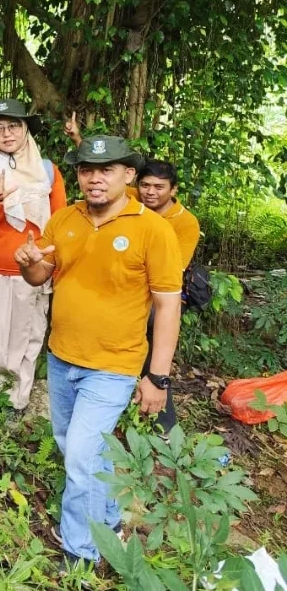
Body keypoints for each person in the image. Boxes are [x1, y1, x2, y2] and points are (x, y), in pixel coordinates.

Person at [14, 135, 182, 569]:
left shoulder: (153, 229)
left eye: (106, 170)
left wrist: (157, 378)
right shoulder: (64, 219)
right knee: (76, 447)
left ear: (128, 175)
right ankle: (107, 518)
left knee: (82, 456)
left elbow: (167, 304)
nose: (94, 178)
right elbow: (40, 277)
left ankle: (82, 554)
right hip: (62, 354)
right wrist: (27, 261)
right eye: (86, 170)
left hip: (113, 364)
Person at [0, 100, 66, 415]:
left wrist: (55, 268)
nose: (6, 134)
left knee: (26, 335)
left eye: (13, 126)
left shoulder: (47, 171)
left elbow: (60, 221)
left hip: (32, 268)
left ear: (25, 130)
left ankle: (16, 400)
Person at [136, 158, 201, 433]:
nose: (150, 192)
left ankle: (164, 426)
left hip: (161, 296)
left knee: (152, 358)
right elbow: (105, 176)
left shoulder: (185, 223)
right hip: (129, 292)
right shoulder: (130, 200)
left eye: (159, 187)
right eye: (145, 185)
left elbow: (173, 271)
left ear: (173, 189)